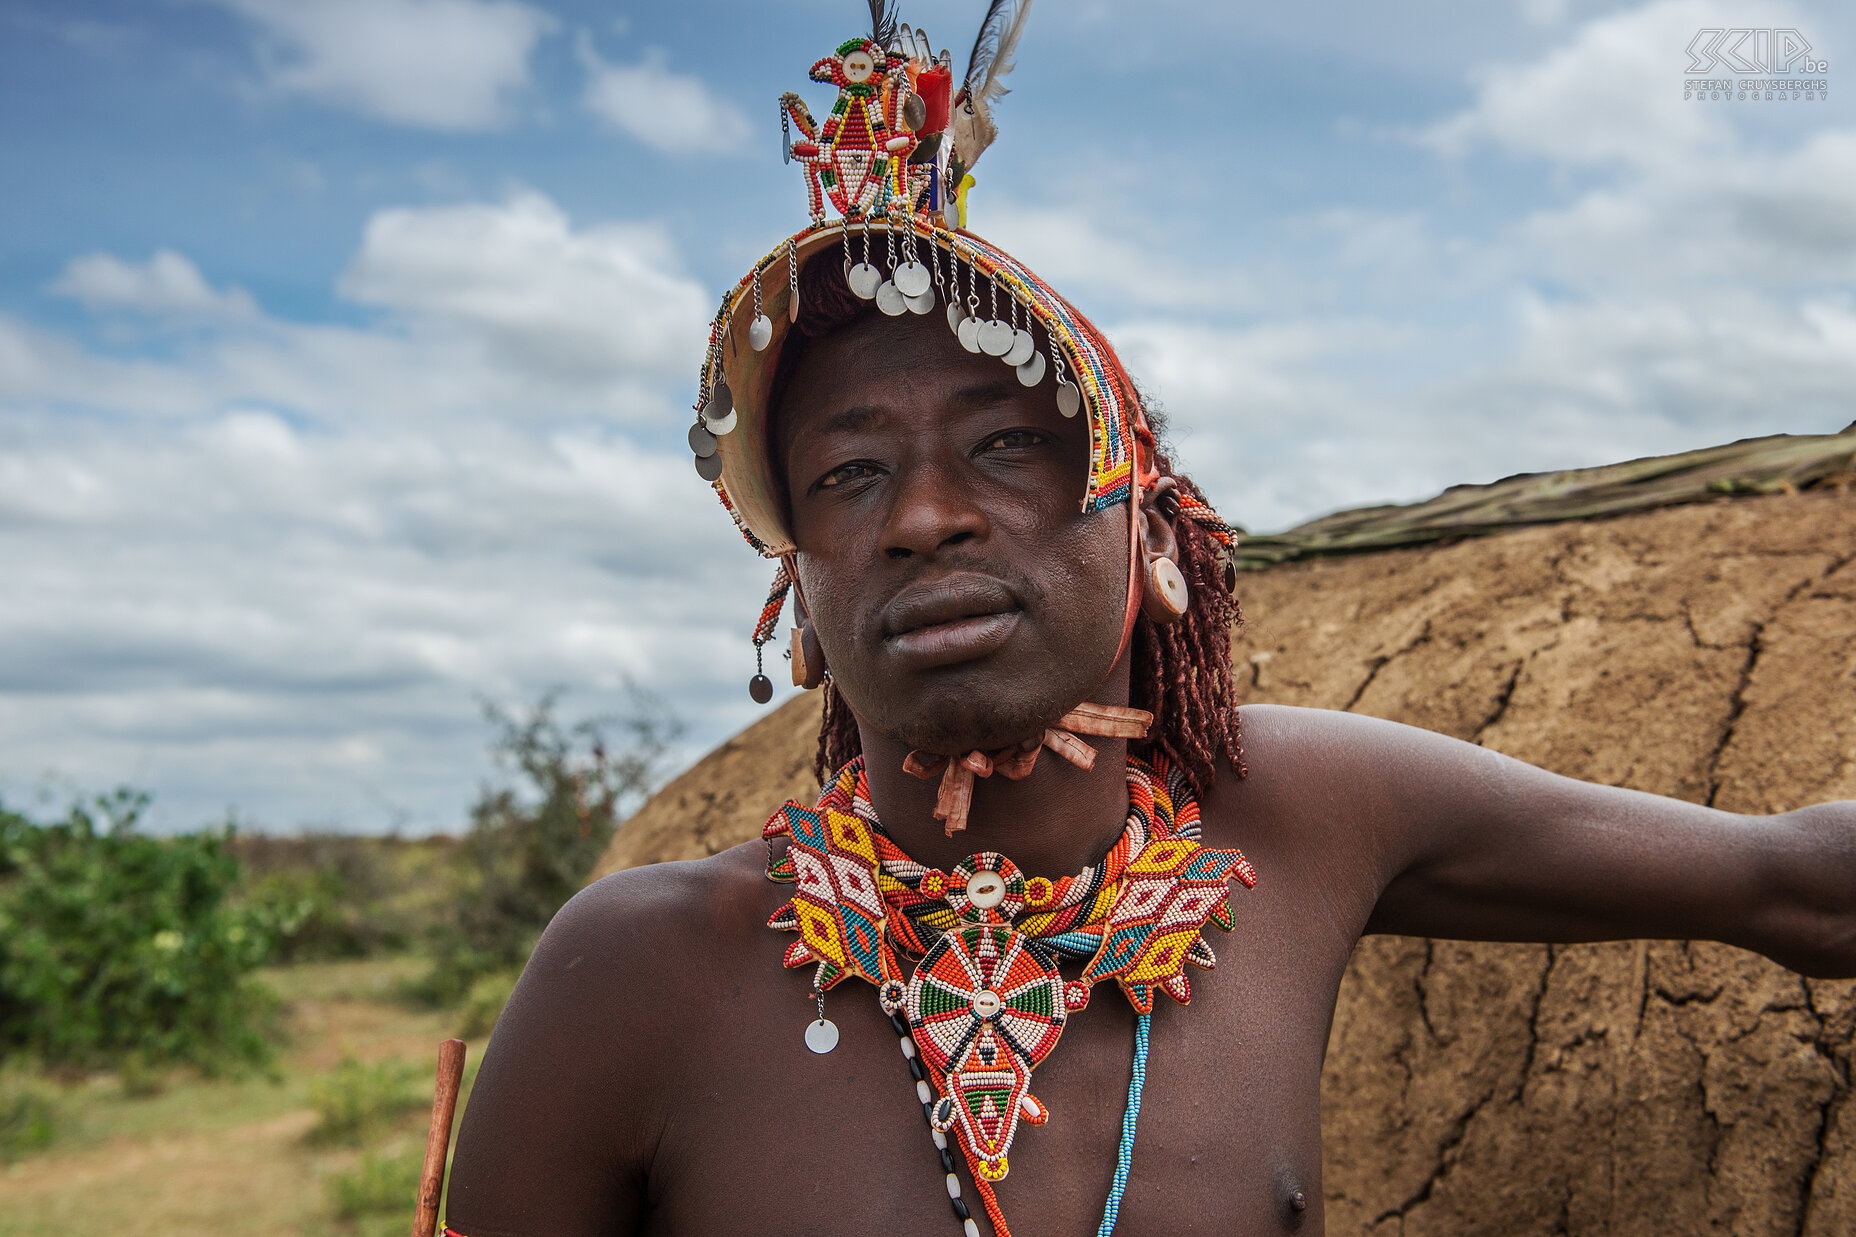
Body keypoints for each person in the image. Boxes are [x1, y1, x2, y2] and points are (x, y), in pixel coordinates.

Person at [442, 10, 1856, 1236]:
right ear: (801, 605)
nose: (923, 514)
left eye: (1007, 444)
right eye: (847, 473)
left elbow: (1798, 882)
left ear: (1164, 553)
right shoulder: (630, 976)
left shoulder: (1304, 818)